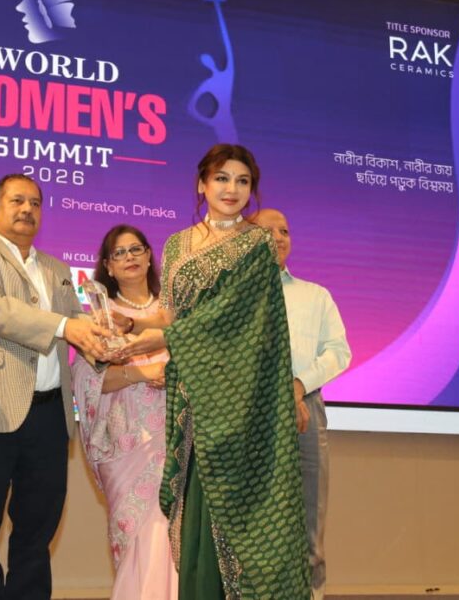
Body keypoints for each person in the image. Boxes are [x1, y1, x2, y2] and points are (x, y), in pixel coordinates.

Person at [116, 144, 310, 599]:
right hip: (194, 398)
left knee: (241, 515)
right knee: (195, 513)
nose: (232, 189)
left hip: (240, 403)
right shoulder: (177, 244)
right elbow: (171, 315)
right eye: (222, 178)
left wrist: (162, 339)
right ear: (202, 184)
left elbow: (229, 319)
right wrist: (132, 325)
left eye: (243, 181)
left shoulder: (257, 244)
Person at [0, 173, 108, 600]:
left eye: (35, 203)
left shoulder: (57, 269)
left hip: (49, 418)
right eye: (17, 201)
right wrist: (67, 326)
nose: (27, 210)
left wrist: (110, 338)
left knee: (37, 532)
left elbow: (81, 327)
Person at [71, 224, 179, 600]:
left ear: (149, 256)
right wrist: (144, 372)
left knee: (176, 536)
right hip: (126, 447)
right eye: (119, 253)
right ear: (108, 266)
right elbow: (89, 381)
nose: (129, 257)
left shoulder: (175, 315)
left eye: (136, 249)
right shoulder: (100, 319)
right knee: (141, 538)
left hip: (179, 441)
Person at [252, 208, 352, 600]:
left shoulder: (315, 295)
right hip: (248, 411)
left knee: (310, 520)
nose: (279, 238)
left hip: (305, 410)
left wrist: (298, 384)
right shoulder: (232, 298)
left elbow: (338, 352)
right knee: (253, 523)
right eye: (269, 231)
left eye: (285, 231)